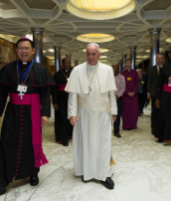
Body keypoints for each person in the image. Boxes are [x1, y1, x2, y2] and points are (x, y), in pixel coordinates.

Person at [0, 38, 53, 195]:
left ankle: (32, 173)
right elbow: (1, 95)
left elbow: (46, 95)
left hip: (33, 113)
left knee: (31, 143)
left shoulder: (41, 70)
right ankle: (0, 180)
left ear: (33, 50)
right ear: (16, 51)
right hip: (12, 112)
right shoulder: (8, 69)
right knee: (6, 143)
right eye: (20, 48)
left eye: (27, 48)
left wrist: (45, 114)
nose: (24, 51)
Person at [65, 43, 117, 189]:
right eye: (88, 54)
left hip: (103, 114)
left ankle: (104, 174)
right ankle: (86, 172)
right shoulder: (77, 70)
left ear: (99, 55)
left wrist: (114, 111)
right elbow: (73, 94)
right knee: (85, 143)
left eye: (94, 54)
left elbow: (111, 93)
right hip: (84, 114)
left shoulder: (107, 70)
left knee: (103, 143)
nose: (91, 57)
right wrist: (72, 114)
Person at [52, 58, 73, 146]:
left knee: (71, 117)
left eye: (69, 64)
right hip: (61, 100)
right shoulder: (57, 75)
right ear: (62, 65)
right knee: (62, 118)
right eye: (65, 64)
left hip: (72, 98)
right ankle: (63, 138)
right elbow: (54, 90)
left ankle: (70, 134)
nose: (67, 65)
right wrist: (55, 102)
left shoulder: (74, 73)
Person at [148, 53, 164, 134]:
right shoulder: (152, 69)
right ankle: (153, 127)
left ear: (163, 59)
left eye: (161, 58)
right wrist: (148, 92)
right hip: (154, 93)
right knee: (154, 111)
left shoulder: (166, 68)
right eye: (158, 58)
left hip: (163, 93)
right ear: (155, 59)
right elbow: (149, 81)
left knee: (162, 111)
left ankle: (161, 127)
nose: (159, 59)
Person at [121, 59, 139, 130]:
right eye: (127, 63)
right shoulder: (122, 73)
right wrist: (128, 92)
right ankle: (127, 125)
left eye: (129, 63)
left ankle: (133, 124)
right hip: (126, 95)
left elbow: (137, 83)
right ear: (125, 64)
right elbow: (122, 85)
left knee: (134, 110)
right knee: (126, 110)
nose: (128, 64)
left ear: (131, 64)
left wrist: (134, 92)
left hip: (134, 95)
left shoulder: (135, 73)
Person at [112, 64, 125, 138]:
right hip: (109, 99)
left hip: (118, 99)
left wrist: (117, 95)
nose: (115, 70)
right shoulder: (108, 77)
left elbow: (123, 88)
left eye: (116, 69)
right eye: (113, 69)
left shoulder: (122, 77)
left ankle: (116, 131)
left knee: (117, 115)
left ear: (118, 69)